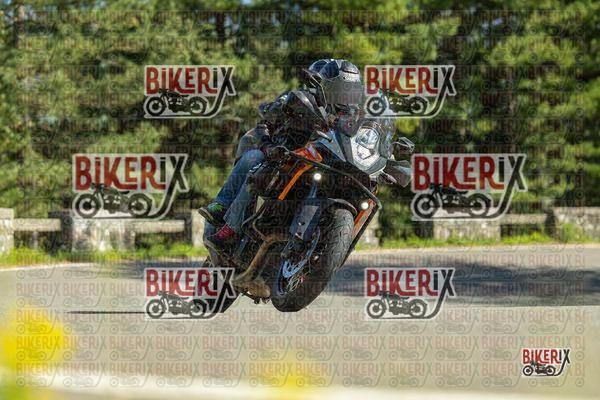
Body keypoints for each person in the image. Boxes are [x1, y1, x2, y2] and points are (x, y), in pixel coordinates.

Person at [199, 58, 364, 252]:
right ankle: (227, 221)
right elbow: (266, 122)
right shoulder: (299, 100)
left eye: (350, 91)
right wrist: (269, 146)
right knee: (255, 160)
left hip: (319, 163)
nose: (345, 96)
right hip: (284, 156)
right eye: (341, 90)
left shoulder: (352, 118)